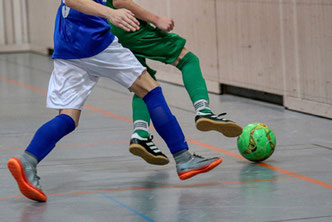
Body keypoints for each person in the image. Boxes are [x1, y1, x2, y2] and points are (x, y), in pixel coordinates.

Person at [7, 0, 222, 202]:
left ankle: (28, 160)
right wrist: (111, 13)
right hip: (94, 42)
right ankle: (183, 158)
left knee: (68, 118)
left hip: (67, 45)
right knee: (150, 89)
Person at [105, 0, 243, 165]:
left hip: (110, 29)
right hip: (127, 25)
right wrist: (156, 19)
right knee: (187, 60)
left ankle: (140, 134)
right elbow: (120, 1)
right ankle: (203, 110)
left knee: (144, 83)